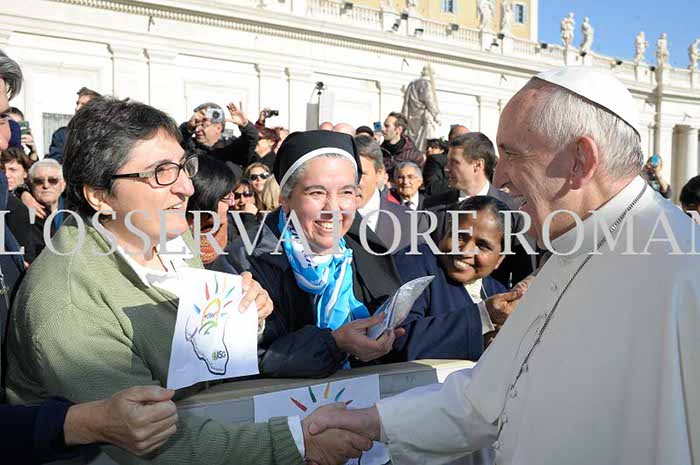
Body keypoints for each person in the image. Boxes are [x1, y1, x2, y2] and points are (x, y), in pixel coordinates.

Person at [307, 66, 700, 465]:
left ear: (580, 160)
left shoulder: (685, 271)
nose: (501, 178)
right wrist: (370, 421)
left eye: (512, 154)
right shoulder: (572, 245)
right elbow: (487, 396)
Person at [5, 97, 371, 465]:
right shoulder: (69, 302)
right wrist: (297, 443)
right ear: (100, 196)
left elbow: (200, 359)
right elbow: (156, 444)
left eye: (183, 167)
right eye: (161, 173)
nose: (186, 188)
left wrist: (245, 319)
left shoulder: (173, 240)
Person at [228, 130, 404, 379]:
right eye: (316, 193)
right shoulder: (247, 259)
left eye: (345, 192)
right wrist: (335, 344)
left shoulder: (364, 247)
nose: (333, 208)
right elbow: (250, 358)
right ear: (286, 199)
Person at [393, 196, 511, 362]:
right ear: (446, 231)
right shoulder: (417, 262)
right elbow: (398, 338)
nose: (466, 251)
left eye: (482, 246)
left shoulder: (498, 294)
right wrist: (482, 319)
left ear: (499, 259)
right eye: (460, 236)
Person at [424, 132, 534, 287]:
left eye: (454, 162)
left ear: (477, 165)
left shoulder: (514, 208)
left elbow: (523, 270)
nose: (446, 168)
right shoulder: (433, 207)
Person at [355, 135, 416, 252]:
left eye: (360, 174)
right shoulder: (328, 219)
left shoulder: (411, 222)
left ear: (379, 173)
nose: (351, 182)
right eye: (346, 173)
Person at [179, 101, 257, 172]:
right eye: (196, 126)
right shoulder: (190, 146)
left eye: (203, 126)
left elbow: (250, 140)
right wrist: (188, 127)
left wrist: (246, 126)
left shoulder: (231, 147)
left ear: (218, 128)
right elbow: (176, 140)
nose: (197, 130)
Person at [47, 86, 101, 164]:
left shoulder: (104, 136)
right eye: (77, 103)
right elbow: (55, 163)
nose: (77, 108)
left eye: (83, 104)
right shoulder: (62, 135)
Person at [26, 158, 67, 257]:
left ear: (63, 184)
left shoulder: (76, 209)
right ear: (31, 185)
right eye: (39, 181)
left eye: (53, 180)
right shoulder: (24, 212)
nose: (46, 185)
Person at [380, 112, 423, 176]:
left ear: (399, 129)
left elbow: (419, 178)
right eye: (384, 125)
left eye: (387, 126)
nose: (382, 129)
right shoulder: (379, 151)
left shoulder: (413, 155)